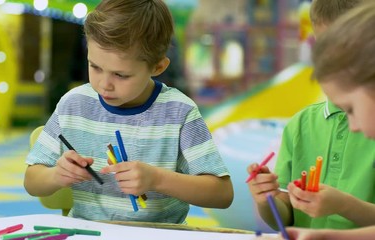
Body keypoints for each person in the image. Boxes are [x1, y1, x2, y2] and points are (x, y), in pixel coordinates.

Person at [24, 0, 233, 224]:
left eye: (121, 75)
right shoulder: (73, 105)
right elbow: (31, 181)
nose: (104, 84)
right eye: (95, 66)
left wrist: (157, 179)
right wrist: (57, 175)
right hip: (88, 232)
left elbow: (222, 194)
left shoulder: (180, 112)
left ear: (158, 67)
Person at [247, 0, 375, 231]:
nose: (329, 59)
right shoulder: (300, 125)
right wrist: (267, 199)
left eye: (343, 49)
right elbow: (283, 219)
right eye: (323, 46)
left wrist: (343, 205)